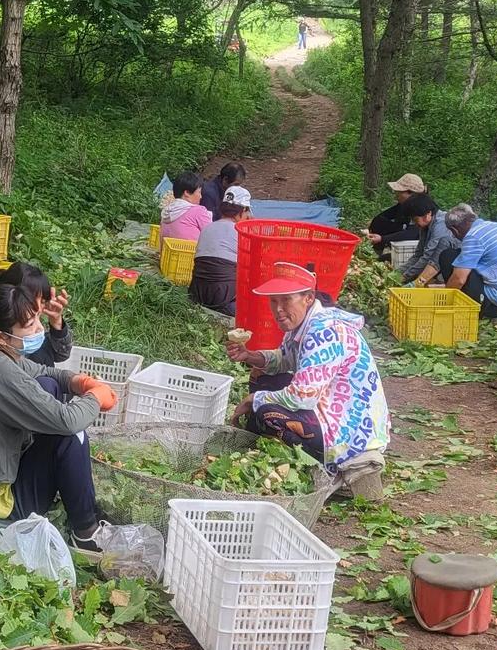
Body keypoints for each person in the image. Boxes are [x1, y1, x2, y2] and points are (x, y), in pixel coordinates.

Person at [0, 284, 118, 556]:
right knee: (72, 437)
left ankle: (83, 519)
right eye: (29, 325)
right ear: (3, 337)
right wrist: (96, 397)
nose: (39, 329)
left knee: (47, 386)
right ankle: (85, 533)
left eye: (38, 319)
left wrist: (79, 382)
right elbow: (68, 420)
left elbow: (44, 372)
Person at [229, 262, 390, 498]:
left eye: (286, 300)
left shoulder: (323, 332)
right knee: (264, 381)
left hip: (349, 428)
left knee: (267, 413)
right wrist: (250, 356)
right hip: (332, 409)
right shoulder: (303, 324)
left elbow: (301, 396)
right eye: (274, 301)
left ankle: (329, 468)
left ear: (308, 297)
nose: (278, 309)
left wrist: (253, 400)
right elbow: (285, 359)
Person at [427, 204, 497, 319]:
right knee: (460, 257)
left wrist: (445, 300)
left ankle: (461, 308)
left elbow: (459, 279)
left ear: (454, 230)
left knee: (448, 256)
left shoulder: (473, 236)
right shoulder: (496, 226)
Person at [0, 261, 72, 365]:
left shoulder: (32, 325)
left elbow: (61, 354)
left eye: (43, 301)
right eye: (31, 300)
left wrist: (56, 322)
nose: (38, 308)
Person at [188, 184, 251, 315]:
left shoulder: (207, 228)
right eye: (247, 212)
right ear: (243, 209)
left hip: (197, 294)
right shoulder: (241, 233)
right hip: (223, 298)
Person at [397, 193, 460, 284]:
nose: (413, 223)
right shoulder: (425, 226)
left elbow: (428, 257)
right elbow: (418, 255)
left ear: (428, 214)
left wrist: (404, 277)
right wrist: (397, 273)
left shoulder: (441, 225)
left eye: (415, 219)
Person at [364, 173, 425, 260]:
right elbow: (382, 216)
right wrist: (373, 224)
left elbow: (411, 233)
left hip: (413, 244)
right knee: (379, 221)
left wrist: (382, 238)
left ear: (410, 193)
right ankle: (374, 251)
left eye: (400, 192)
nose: (396, 194)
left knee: (384, 259)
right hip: (403, 230)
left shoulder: (421, 209)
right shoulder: (403, 205)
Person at [159, 171, 213, 248]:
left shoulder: (167, 211)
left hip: (167, 257)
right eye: (199, 192)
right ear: (187, 193)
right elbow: (212, 236)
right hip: (191, 258)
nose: (201, 196)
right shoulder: (198, 211)